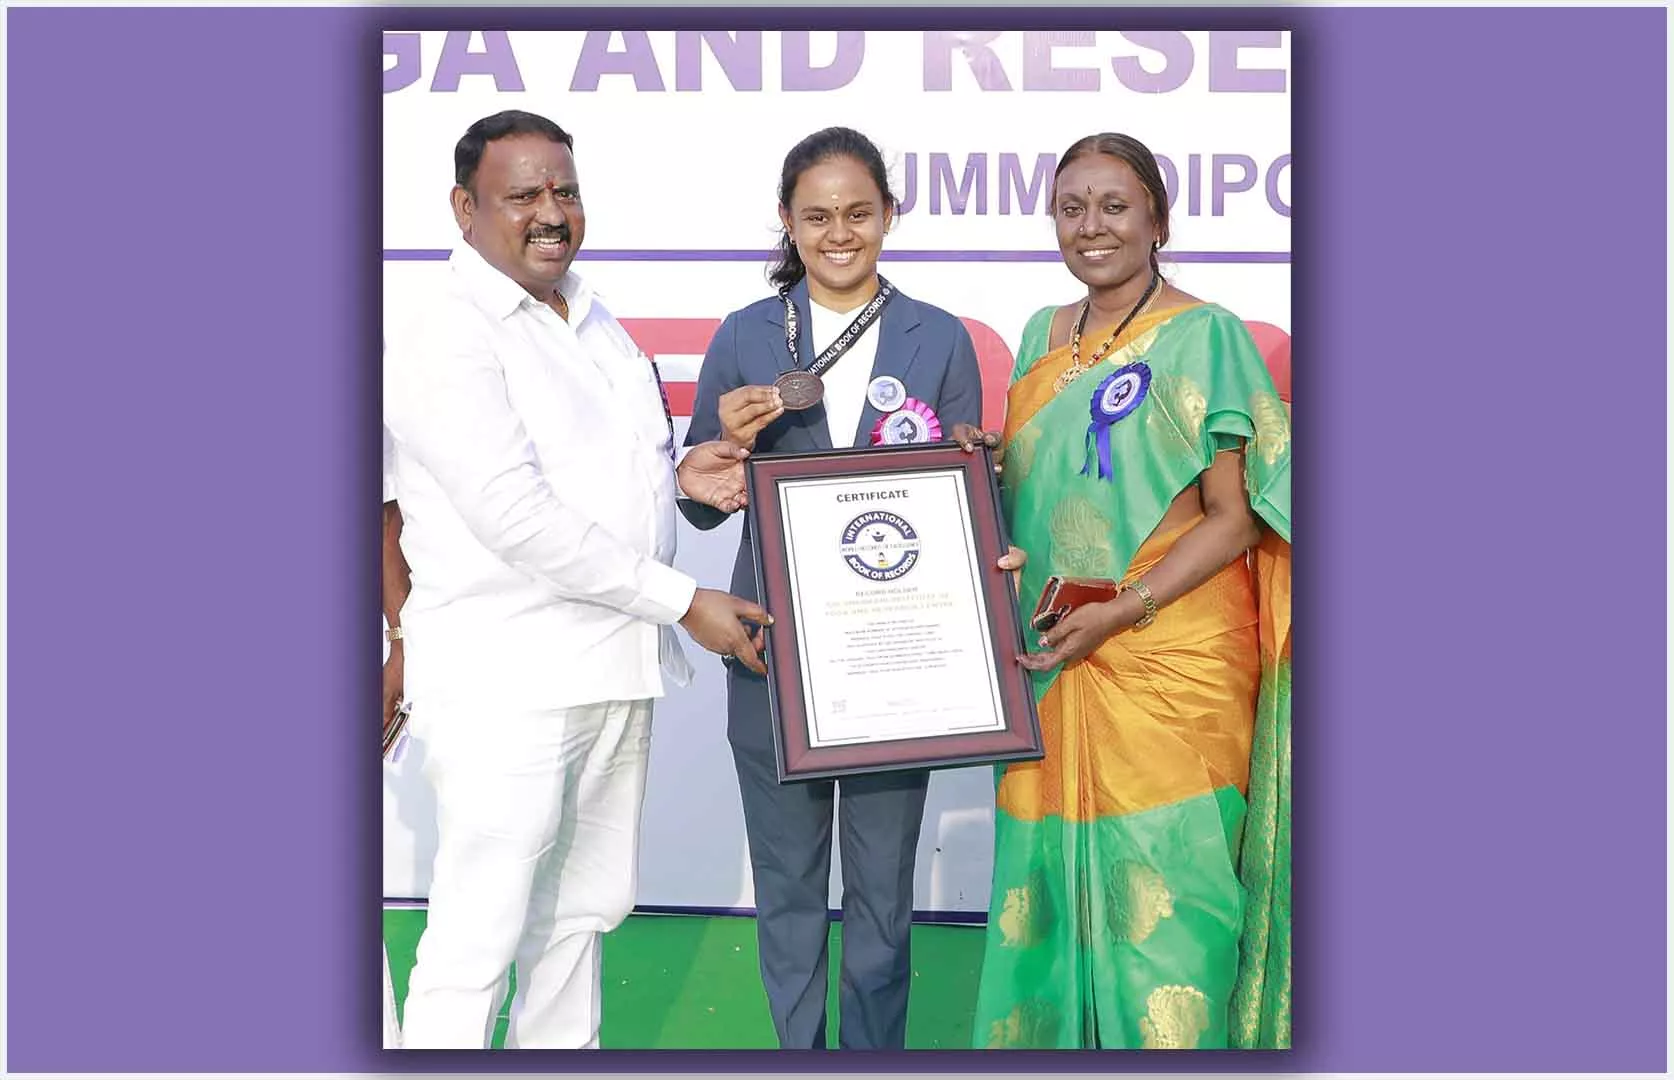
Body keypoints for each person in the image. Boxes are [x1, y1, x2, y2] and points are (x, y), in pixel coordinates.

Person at [382, 109, 772, 1050]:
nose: (550, 212)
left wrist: (684, 476)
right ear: (465, 208)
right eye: (523, 195)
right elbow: (513, 515)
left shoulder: (592, 317)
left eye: (564, 190)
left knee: (576, 926)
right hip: (507, 683)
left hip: (614, 670)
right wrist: (685, 602)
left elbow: (607, 474)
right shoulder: (444, 329)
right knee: (477, 941)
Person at [681, 126, 1021, 1051]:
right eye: (818, 216)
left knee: (881, 899)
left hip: (894, 665)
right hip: (772, 653)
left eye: (859, 213)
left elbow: (961, 500)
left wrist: (984, 498)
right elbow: (703, 505)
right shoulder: (744, 334)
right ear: (787, 222)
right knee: (788, 894)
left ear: (889, 217)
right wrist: (720, 454)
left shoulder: (939, 336)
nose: (840, 234)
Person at [955, 132, 1291, 1050]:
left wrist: (1124, 611)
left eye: (1114, 206)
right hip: (1054, 654)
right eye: (1071, 209)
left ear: (1158, 222)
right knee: (1046, 903)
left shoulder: (1208, 336)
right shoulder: (1041, 334)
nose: (1091, 227)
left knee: (1174, 902)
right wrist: (983, 469)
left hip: (1170, 656)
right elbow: (1050, 493)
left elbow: (1235, 518)